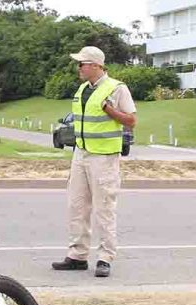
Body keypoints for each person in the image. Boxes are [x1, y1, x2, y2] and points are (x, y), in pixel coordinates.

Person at [51, 46, 137, 278]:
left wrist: (109, 110)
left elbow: (131, 120)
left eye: (82, 63)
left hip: (104, 157)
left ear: (96, 66)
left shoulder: (117, 88)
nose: (79, 68)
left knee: (104, 208)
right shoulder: (82, 90)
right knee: (76, 206)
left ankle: (105, 257)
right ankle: (77, 255)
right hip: (81, 154)